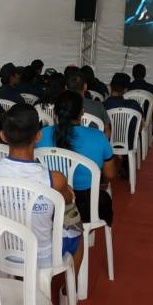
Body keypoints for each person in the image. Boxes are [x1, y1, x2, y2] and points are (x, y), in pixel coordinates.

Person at [0, 103, 80, 272]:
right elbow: (68, 203)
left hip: (2, 249)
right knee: (78, 230)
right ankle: (71, 287)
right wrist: (66, 189)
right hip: (42, 257)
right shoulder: (55, 178)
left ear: (3, 136)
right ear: (38, 136)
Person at [36, 91, 117, 227]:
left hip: (50, 204)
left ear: (55, 111)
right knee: (105, 200)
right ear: (82, 112)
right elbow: (110, 174)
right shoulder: (98, 136)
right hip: (86, 207)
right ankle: (85, 232)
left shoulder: (41, 135)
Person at [103, 73, 143, 150]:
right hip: (129, 145)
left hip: (108, 145)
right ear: (126, 90)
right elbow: (141, 127)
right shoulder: (134, 105)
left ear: (110, 86)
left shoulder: (102, 106)